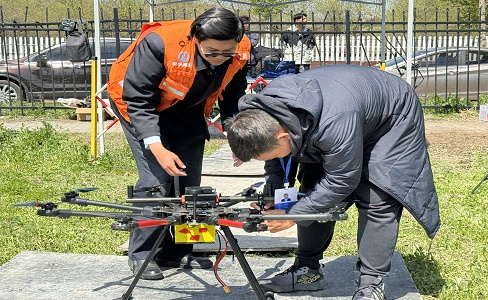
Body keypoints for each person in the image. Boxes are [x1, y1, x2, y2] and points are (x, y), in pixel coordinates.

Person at [225, 64, 440, 300]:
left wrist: (291, 216)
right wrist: (274, 195)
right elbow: (278, 162)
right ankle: (308, 271)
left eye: (276, 153)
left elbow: (342, 179)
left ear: (283, 135)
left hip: (389, 120)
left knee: (377, 197)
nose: (276, 158)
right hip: (336, 114)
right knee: (312, 191)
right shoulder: (265, 115)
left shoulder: (333, 121)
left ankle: (371, 284)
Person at [107, 7, 251, 280]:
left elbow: (233, 94)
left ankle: (179, 252)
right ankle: (142, 254)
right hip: (138, 106)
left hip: (187, 109)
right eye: (211, 53)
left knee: (190, 185)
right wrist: (157, 146)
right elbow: (138, 99)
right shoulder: (160, 43)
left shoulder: (241, 49)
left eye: (226, 53)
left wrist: (237, 137)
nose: (220, 59)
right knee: (156, 181)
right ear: (196, 38)